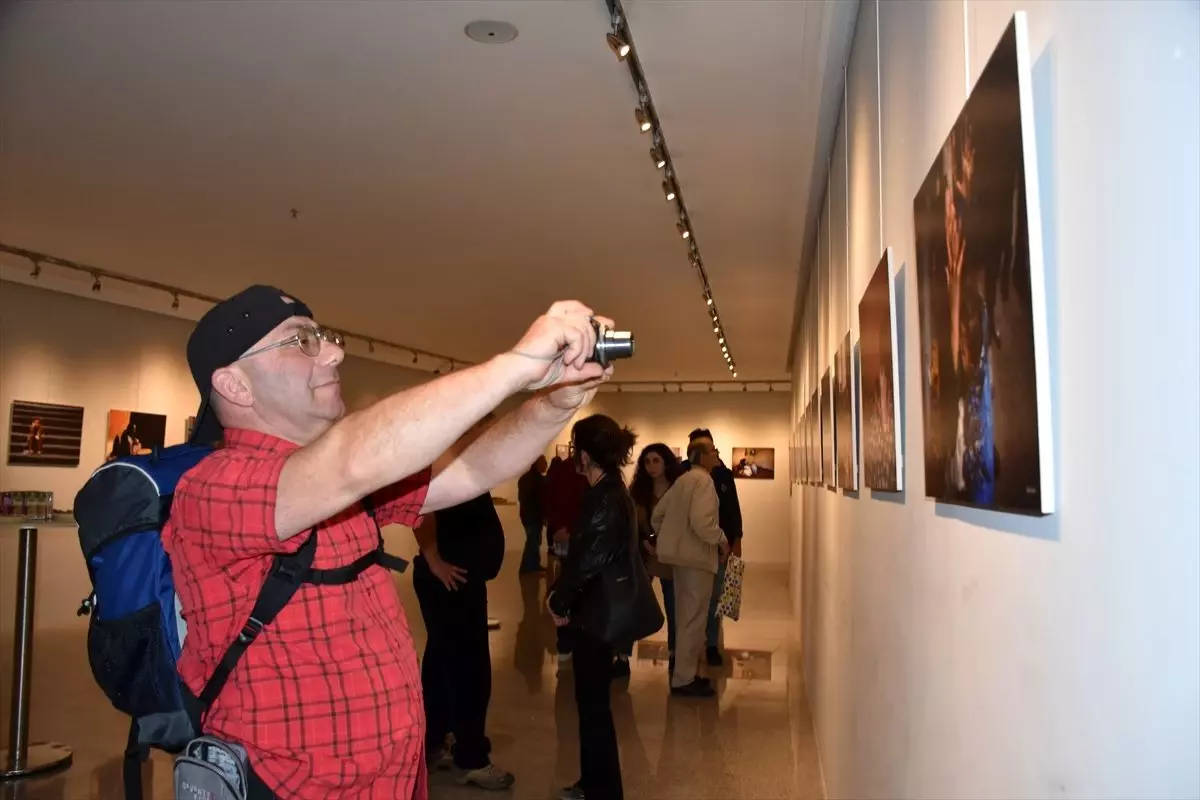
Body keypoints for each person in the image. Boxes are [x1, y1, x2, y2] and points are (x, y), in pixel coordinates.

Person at [162, 285, 614, 799]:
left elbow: (471, 470)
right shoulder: (214, 487)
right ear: (234, 385)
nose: (334, 351)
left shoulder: (340, 486)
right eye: (302, 341)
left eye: (323, 336)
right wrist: (515, 365)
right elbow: (351, 459)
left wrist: (556, 403)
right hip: (292, 787)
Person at [412, 416, 511, 790]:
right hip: (449, 580)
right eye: (484, 429)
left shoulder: (463, 464)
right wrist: (435, 560)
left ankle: (435, 739)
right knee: (469, 671)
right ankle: (472, 757)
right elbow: (421, 509)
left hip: (460, 581)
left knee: (441, 664)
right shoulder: (443, 462)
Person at [547, 414, 639, 800]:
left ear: (585, 454)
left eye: (575, 449)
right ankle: (593, 784)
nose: (572, 457)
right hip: (595, 612)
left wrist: (559, 599)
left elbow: (590, 561)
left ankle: (603, 790)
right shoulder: (608, 491)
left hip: (596, 616)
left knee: (593, 708)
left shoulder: (605, 497)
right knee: (590, 706)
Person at [653, 439, 728, 697]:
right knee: (694, 621)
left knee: (685, 618)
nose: (717, 454)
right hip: (697, 561)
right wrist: (721, 539)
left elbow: (657, 516)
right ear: (702, 456)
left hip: (681, 561)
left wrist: (672, 538)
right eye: (713, 450)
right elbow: (702, 521)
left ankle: (685, 674)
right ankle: (684, 679)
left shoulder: (682, 481)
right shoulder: (704, 481)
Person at [686, 428, 743, 666]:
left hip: (720, 549)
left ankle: (710, 645)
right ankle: (687, 647)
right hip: (692, 549)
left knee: (714, 599)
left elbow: (732, 509)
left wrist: (736, 541)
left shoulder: (724, 475)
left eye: (711, 448)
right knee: (691, 600)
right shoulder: (683, 474)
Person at [628, 443, 683, 675]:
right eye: (647, 461)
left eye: (656, 461)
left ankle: (675, 653)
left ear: (666, 462)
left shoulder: (678, 489)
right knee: (632, 605)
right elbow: (630, 522)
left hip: (670, 556)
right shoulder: (638, 492)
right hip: (644, 555)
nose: (651, 466)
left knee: (674, 607)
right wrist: (643, 542)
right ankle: (622, 654)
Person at [543, 451, 588, 663]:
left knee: (578, 590)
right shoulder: (564, 470)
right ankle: (565, 641)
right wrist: (559, 528)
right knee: (570, 588)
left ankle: (572, 641)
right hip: (568, 539)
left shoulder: (593, 470)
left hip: (581, 539)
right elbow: (549, 501)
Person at [517, 455, 548, 574]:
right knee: (533, 540)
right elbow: (539, 501)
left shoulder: (524, 479)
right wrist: (544, 515)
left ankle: (534, 564)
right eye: (544, 463)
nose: (546, 465)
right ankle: (527, 567)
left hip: (526, 515)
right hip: (534, 516)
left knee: (534, 539)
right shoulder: (538, 480)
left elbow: (522, 499)